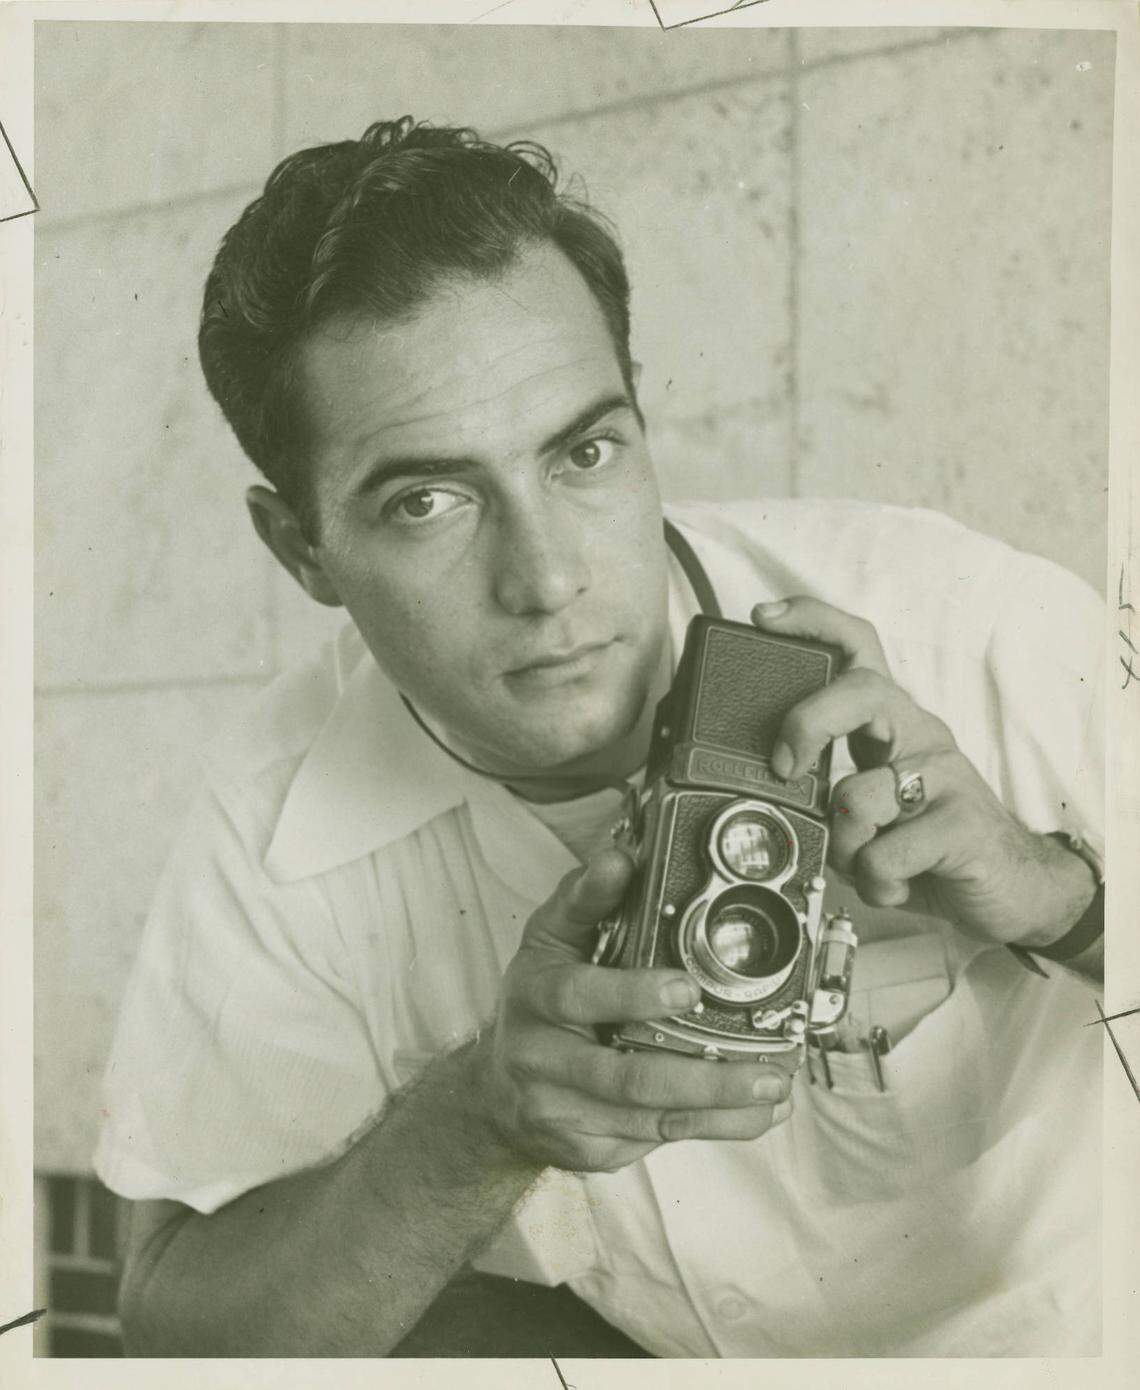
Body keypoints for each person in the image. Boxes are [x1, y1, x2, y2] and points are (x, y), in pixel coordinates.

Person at [95, 117, 1106, 1358]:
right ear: (301, 548)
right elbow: (169, 1322)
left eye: (582, 451)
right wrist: (474, 1125)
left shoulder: (958, 618)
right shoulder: (275, 807)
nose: (548, 577)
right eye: (429, 500)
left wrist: (1062, 896)